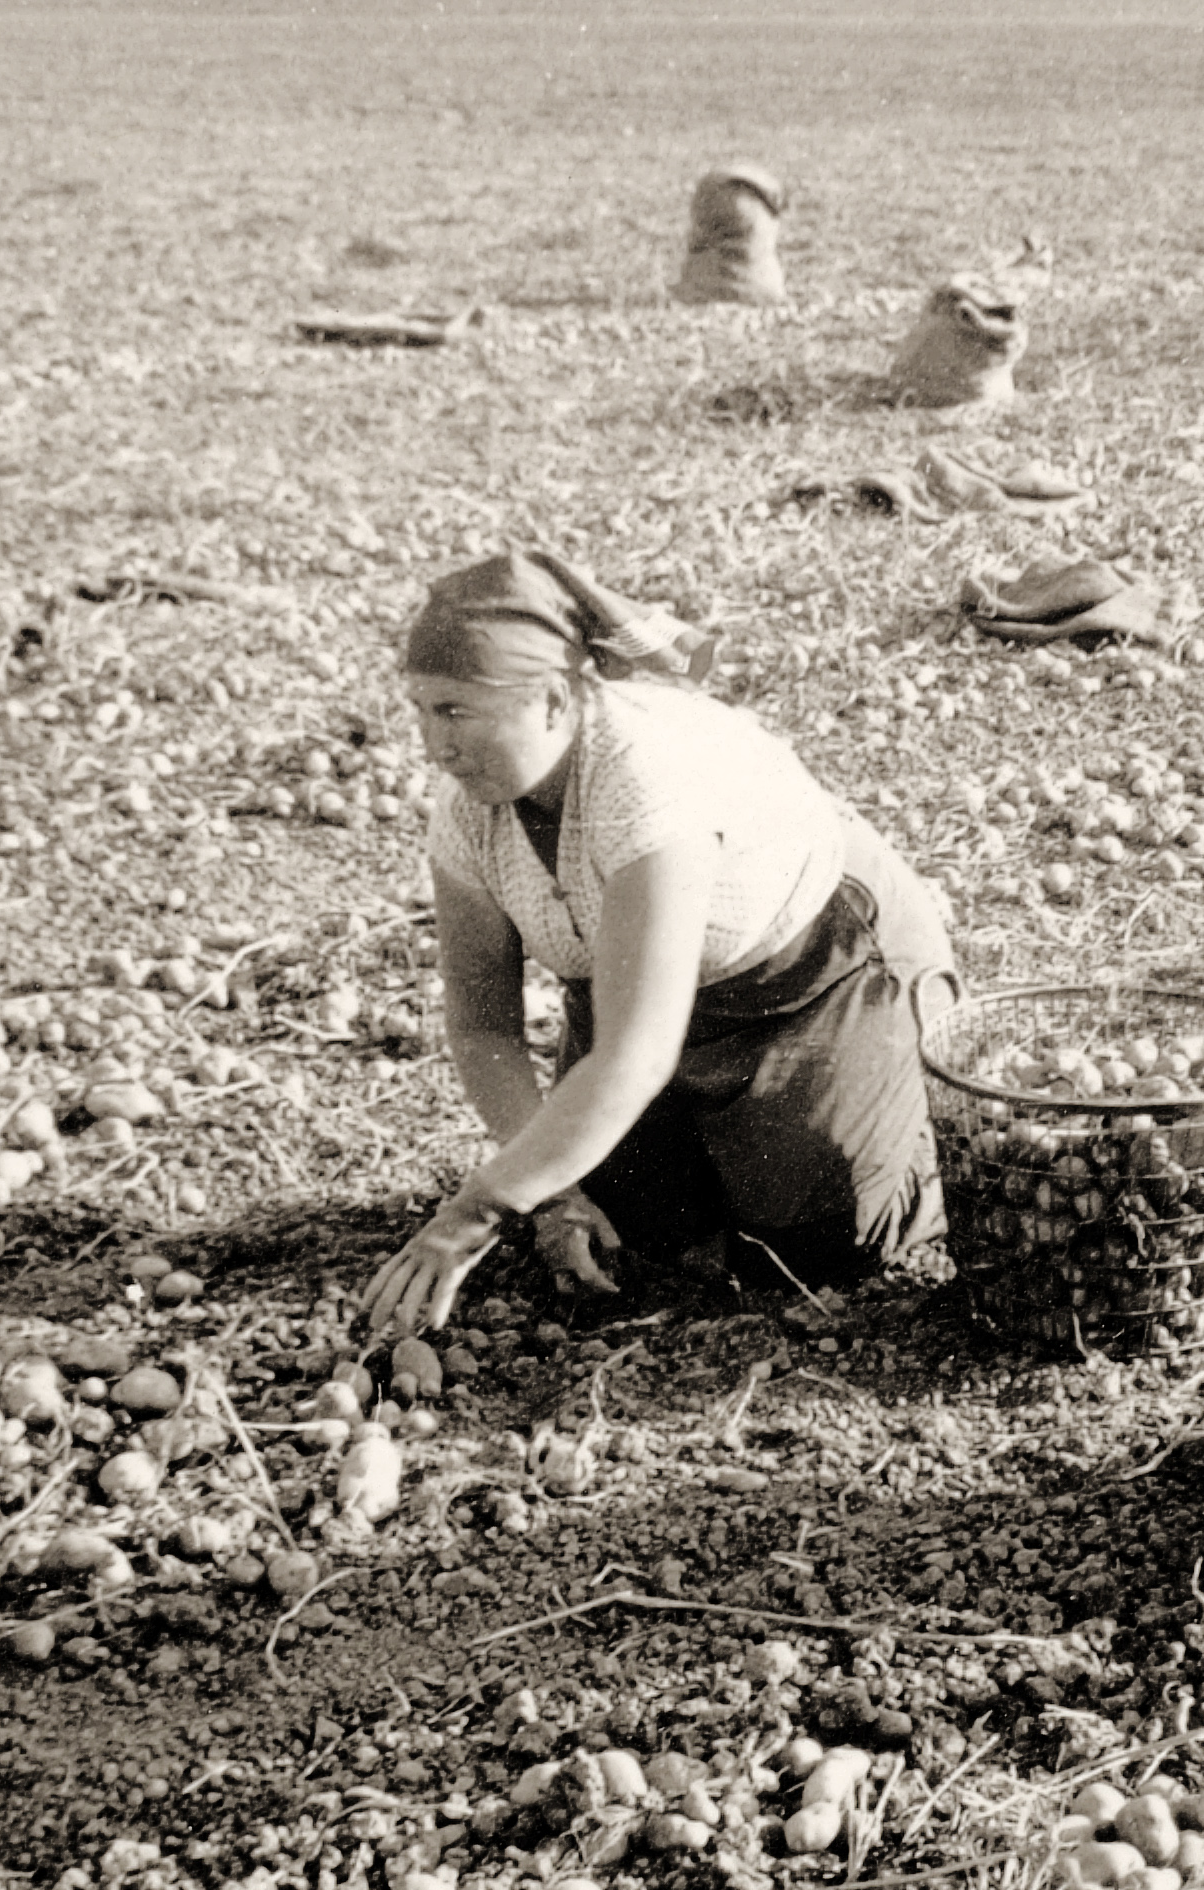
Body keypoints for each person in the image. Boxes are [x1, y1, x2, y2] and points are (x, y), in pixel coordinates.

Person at [358, 551, 958, 1339]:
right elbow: (482, 1027)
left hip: (816, 976)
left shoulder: (643, 781)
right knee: (628, 1226)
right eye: (422, 710)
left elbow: (635, 1055)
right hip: (645, 1001)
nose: (434, 744)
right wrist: (548, 1192)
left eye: (456, 712)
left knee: (826, 1245)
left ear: (553, 699)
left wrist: (480, 1206)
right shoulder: (469, 811)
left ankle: (916, 1116)